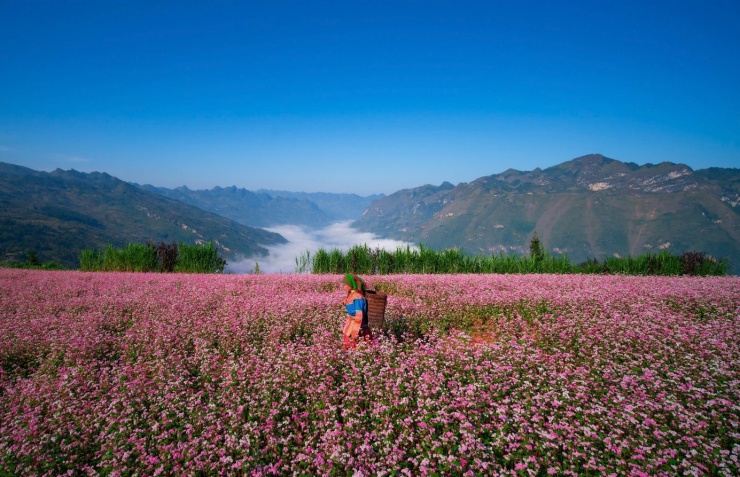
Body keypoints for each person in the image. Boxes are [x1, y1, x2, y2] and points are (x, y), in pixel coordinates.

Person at [342, 273, 372, 350]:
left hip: (357, 325)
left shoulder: (358, 296)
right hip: (351, 322)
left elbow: (359, 313)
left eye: (346, 284)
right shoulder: (353, 294)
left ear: (351, 284)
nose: (344, 286)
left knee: (356, 345)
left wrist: (355, 331)